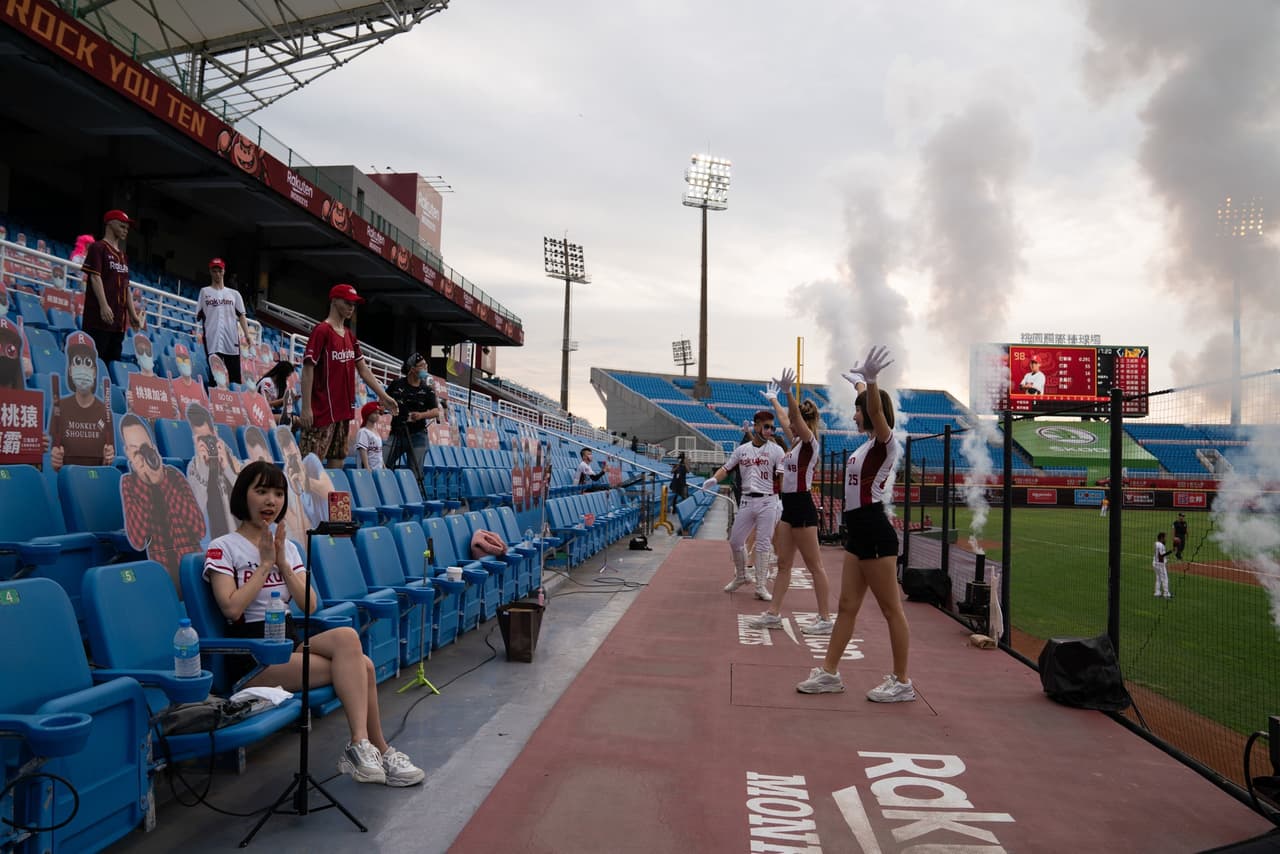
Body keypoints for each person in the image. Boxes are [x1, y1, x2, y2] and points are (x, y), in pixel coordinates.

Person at [203, 461, 424, 786]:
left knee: (348, 637)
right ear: (242, 496)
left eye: (278, 493)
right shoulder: (223, 547)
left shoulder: (288, 547)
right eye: (261, 491)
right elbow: (231, 608)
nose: (270, 501)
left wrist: (282, 563)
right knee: (362, 667)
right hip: (253, 657)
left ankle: (365, 746)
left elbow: (309, 604)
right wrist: (264, 566)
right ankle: (372, 746)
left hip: (288, 642)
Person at [797, 345, 914, 702]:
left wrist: (873, 382)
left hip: (875, 530)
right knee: (846, 605)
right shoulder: (867, 445)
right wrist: (861, 387)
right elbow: (869, 404)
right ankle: (830, 673)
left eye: (856, 413)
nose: (853, 417)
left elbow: (877, 411)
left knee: (891, 609)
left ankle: (902, 681)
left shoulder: (885, 441)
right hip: (858, 532)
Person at [747, 367, 835, 634]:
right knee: (784, 563)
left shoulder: (810, 443)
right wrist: (774, 399)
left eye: (795, 424)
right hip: (789, 509)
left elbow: (792, 416)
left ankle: (825, 618)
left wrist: (786, 393)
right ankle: (773, 614)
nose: (787, 427)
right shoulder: (796, 442)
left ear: (804, 424)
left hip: (804, 507)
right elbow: (787, 419)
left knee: (814, 566)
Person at [299, 283, 398, 468]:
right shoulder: (321, 331)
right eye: (347, 302)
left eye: (354, 304)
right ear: (334, 301)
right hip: (321, 410)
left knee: (338, 460)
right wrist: (306, 407)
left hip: (343, 411)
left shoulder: (349, 335)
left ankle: (329, 496)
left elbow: (363, 369)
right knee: (311, 466)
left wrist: (384, 396)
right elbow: (307, 369)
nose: (352, 307)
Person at [701, 409, 786, 600]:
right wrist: (714, 480)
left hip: (768, 500)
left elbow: (781, 476)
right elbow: (726, 468)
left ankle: (761, 586)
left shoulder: (776, 450)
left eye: (772, 427)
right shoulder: (742, 450)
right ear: (756, 426)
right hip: (747, 499)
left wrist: (783, 497)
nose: (769, 431)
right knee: (735, 540)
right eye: (766, 426)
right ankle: (741, 576)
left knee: (764, 543)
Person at [119, 413, 206, 588]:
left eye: (145, 448)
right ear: (128, 453)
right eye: (136, 451)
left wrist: (162, 481)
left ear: (152, 446)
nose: (143, 455)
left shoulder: (174, 476)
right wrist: (144, 484)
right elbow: (138, 540)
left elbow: (199, 529)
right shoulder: (129, 484)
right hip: (161, 573)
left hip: (191, 568)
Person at [80, 210, 145, 362]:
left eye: (127, 227)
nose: (126, 229)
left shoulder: (123, 256)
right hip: (98, 320)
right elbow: (95, 277)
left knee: (111, 364)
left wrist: (133, 315)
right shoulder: (98, 248)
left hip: (118, 324)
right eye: (122, 225)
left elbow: (126, 286)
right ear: (110, 223)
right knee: (94, 362)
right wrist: (103, 305)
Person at [48, 331, 115, 471]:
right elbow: (51, 455)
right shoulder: (59, 408)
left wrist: (109, 456)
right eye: (77, 362)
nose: (83, 368)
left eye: (88, 362)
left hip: (98, 482)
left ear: (94, 371)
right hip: (68, 483)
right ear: (71, 370)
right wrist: (54, 458)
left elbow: (109, 456)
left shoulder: (105, 411)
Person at [197, 258, 252, 386]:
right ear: (210, 272)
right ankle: (213, 403)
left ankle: (235, 404)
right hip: (212, 339)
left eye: (219, 270)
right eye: (214, 270)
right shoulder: (204, 292)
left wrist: (247, 334)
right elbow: (199, 315)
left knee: (235, 378)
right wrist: (199, 332)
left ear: (224, 271)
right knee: (215, 377)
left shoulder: (234, 294)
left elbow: (242, 315)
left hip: (231, 340)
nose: (217, 274)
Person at [384, 351, 440, 475]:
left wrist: (421, 415)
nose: (425, 368)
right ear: (412, 369)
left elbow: (436, 411)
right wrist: (389, 407)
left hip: (418, 435)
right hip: (397, 432)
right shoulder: (396, 384)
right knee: (383, 463)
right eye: (422, 366)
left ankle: (415, 493)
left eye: (426, 365)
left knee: (415, 473)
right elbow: (383, 400)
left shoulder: (427, 389)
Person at [256, 360, 296, 425]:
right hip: (260, 413)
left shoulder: (278, 386)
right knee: (294, 420)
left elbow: (276, 406)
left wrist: (290, 400)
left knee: (293, 416)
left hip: (270, 412)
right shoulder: (267, 382)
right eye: (287, 376)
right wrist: (284, 399)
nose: (287, 379)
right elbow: (265, 404)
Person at [355, 401, 384, 471]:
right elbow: (363, 451)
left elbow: (379, 454)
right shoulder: (363, 432)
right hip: (369, 471)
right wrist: (367, 468)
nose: (377, 415)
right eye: (374, 413)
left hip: (378, 471)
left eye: (378, 413)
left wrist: (383, 466)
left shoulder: (376, 432)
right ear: (367, 415)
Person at [1153, 532, 1172, 598]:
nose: (1165, 539)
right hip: (1160, 564)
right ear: (1161, 538)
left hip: (1155, 563)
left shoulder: (1156, 543)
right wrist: (1170, 551)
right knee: (1165, 579)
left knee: (1158, 578)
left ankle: (1157, 592)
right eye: (1165, 537)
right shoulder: (1161, 545)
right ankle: (1166, 594)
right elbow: (1161, 555)